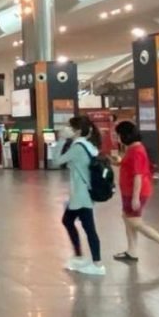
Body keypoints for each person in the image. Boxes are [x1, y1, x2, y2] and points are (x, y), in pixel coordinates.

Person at [112, 120, 159, 265]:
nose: (117, 138)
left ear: (125, 135)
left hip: (136, 192)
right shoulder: (133, 149)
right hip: (129, 191)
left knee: (135, 222)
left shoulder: (136, 151)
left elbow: (138, 175)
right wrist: (120, 162)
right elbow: (131, 167)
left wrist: (135, 198)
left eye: (118, 135)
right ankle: (132, 251)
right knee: (127, 218)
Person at [53, 115, 106, 276]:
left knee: (89, 228)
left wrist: (61, 140)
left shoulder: (77, 148)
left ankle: (97, 264)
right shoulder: (89, 145)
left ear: (77, 131)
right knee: (68, 221)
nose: (67, 129)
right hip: (84, 192)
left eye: (70, 127)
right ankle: (80, 256)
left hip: (81, 195)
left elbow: (56, 161)